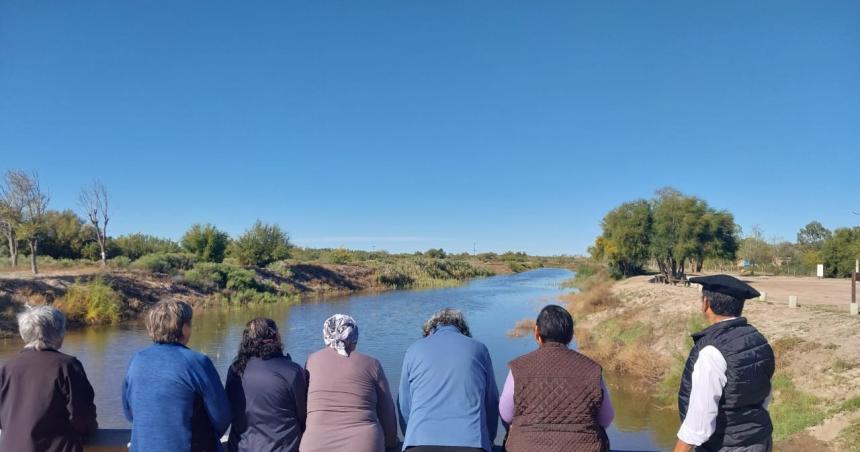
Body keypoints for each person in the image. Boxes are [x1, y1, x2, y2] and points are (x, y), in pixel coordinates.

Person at [673, 275, 775, 452]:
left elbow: (698, 425)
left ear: (706, 304)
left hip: (724, 446)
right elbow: (763, 396)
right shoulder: (758, 340)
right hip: (761, 441)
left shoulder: (711, 351)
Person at [123, 299, 231, 452]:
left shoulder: (136, 360)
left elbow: (129, 413)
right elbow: (222, 417)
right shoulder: (197, 362)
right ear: (184, 328)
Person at [500, 304, 612, 452]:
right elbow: (606, 418)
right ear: (571, 335)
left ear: (536, 333)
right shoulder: (592, 369)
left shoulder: (518, 368)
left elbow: (506, 416)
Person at [398, 308, 499, 452]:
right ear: (464, 331)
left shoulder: (413, 350)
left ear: (429, 332)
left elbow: (404, 406)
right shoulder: (479, 349)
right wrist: (489, 439)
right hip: (472, 443)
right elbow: (491, 403)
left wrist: (412, 436)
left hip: (419, 443)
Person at [0, 305, 97, 452]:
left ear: (24, 332)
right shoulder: (67, 366)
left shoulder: (6, 367)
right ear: (57, 333)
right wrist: (90, 430)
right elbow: (82, 417)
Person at [300, 314, 397, 452]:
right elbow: (388, 413)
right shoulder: (371, 364)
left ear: (326, 335)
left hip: (315, 444)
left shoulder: (311, 361)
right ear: (354, 337)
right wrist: (391, 445)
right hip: (364, 444)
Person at [226, 318, 307, 452]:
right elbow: (303, 416)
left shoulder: (235, 370)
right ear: (276, 338)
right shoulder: (292, 371)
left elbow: (229, 411)